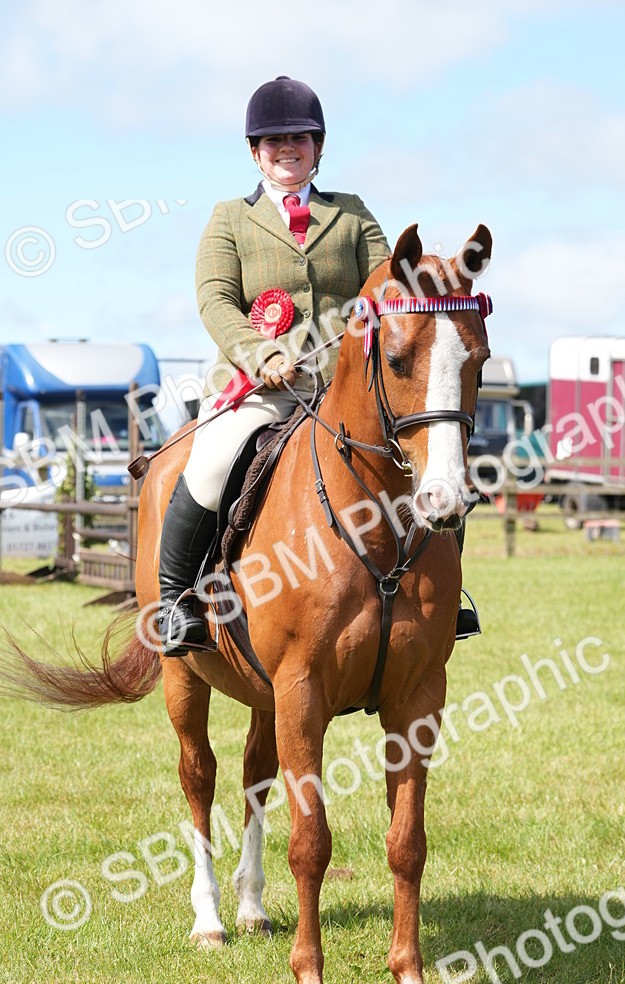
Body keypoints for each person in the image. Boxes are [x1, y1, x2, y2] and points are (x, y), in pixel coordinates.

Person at [157, 75, 480, 655]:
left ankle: (443, 598)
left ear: (318, 147)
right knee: (208, 465)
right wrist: (263, 353)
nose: (287, 148)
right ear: (255, 151)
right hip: (258, 388)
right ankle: (178, 602)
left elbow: (392, 290)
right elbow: (215, 300)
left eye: (300, 138)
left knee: (433, 462)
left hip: (345, 388)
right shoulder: (229, 218)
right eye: (274, 139)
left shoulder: (352, 216)